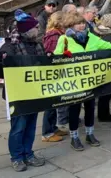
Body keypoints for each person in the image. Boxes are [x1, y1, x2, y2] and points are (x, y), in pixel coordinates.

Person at [54, 13, 111, 151]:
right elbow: (55, 57)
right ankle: (74, 137)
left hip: (90, 81)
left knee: (90, 107)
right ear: (71, 25)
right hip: (74, 81)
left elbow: (106, 46)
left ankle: (90, 134)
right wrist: (63, 56)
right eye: (78, 23)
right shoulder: (64, 39)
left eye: (83, 23)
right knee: (74, 109)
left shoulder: (91, 37)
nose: (82, 25)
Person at [0, 9, 46, 172]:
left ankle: (28, 154)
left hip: (34, 92)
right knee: (18, 126)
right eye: (36, 28)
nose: (38, 30)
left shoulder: (37, 45)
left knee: (30, 126)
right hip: (17, 94)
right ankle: (16, 157)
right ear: (28, 30)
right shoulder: (10, 46)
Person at [41, 11, 67, 142]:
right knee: (50, 104)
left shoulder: (57, 34)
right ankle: (47, 133)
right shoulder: (54, 36)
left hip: (57, 72)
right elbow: (51, 54)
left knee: (55, 102)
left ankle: (53, 127)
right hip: (54, 73)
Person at [94, 14, 111, 122]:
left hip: (99, 64)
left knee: (103, 93)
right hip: (107, 65)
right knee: (106, 92)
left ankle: (103, 114)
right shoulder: (109, 34)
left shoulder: (97, 31)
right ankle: (104, 115)